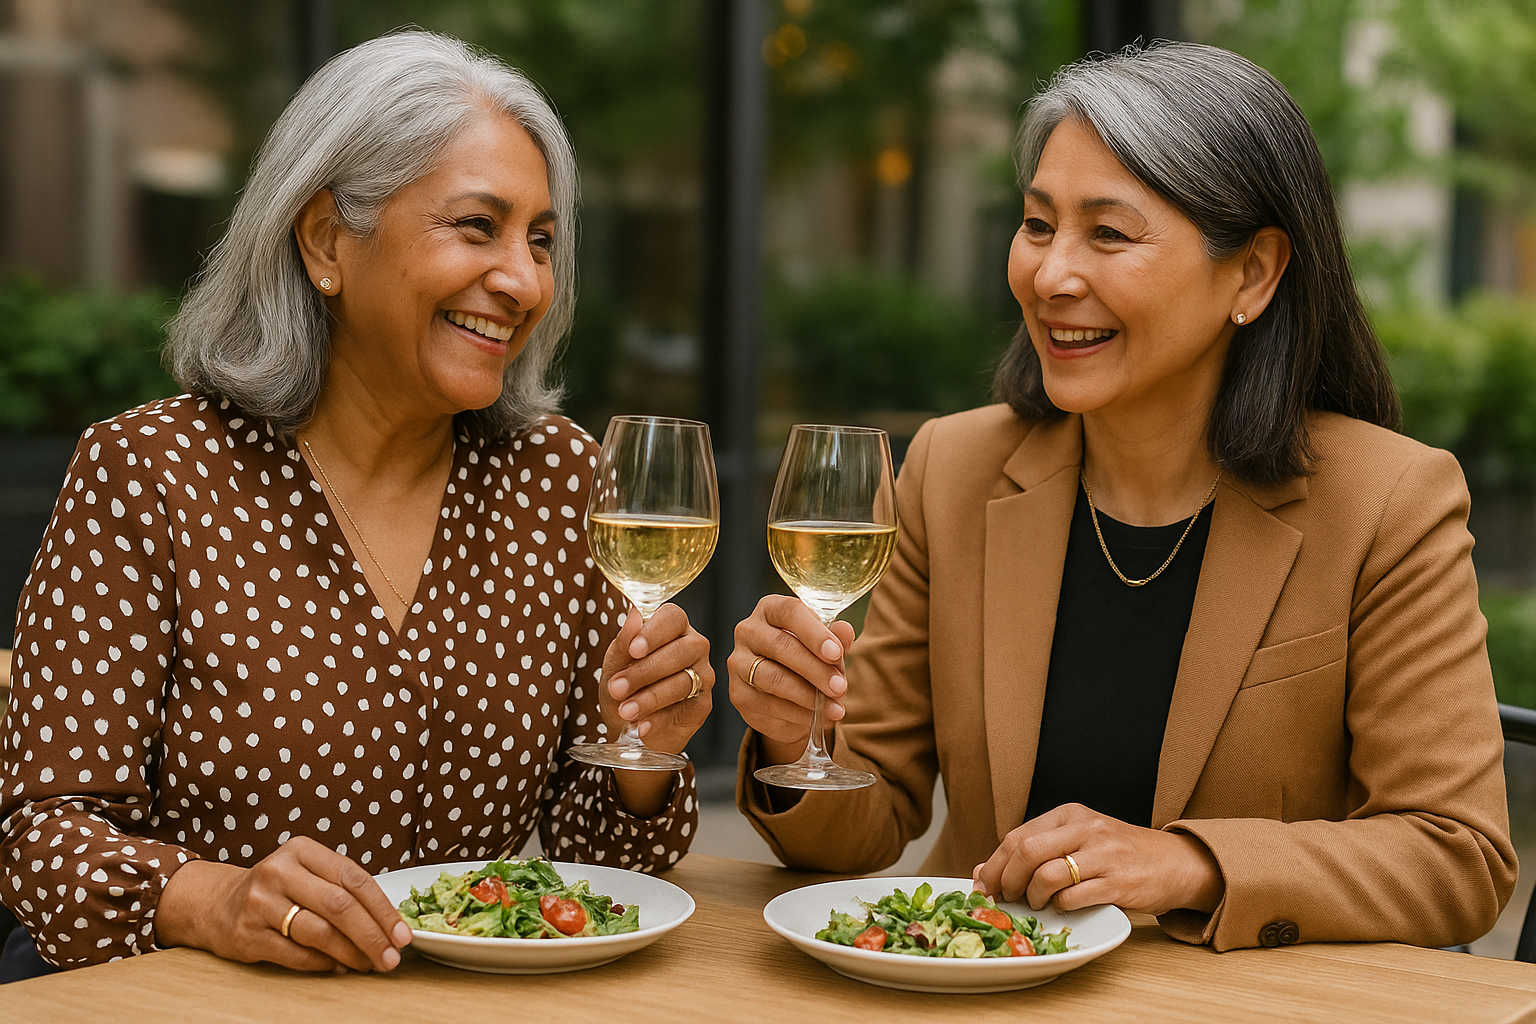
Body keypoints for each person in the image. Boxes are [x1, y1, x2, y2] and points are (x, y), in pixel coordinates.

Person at [728, 41, 1516, 951]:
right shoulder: (954, 468)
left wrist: (1191, 863)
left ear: (1253, 273)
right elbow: (870, 822)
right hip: (980, 996)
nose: (1053, 274)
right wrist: (796, 748)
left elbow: (1458, 856)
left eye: (1108, 233)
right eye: (1036, 224)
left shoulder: (1391, 501)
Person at [0, 30, 712, 979]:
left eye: (540, 240)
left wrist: (643, 755)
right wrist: (218, 899)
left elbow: (609, 867)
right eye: (476, 226)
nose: (523, 280)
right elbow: (40, 839)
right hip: (187, 997)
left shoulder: (560, 482)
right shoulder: (150, 471)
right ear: (327, 239)